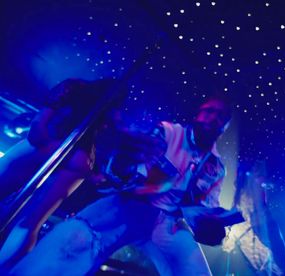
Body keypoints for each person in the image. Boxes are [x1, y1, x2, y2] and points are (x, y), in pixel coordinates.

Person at [10, 95, 233, 275]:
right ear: (198, 114)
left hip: (169, 222)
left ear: (225, 126)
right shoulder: (167, 132)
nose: (214, 118)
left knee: (194, 269)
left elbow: (206, 207)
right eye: (209, 111)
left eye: (221, 116)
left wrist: (211, 224)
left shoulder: (217, 168)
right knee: (73, 242)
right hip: (129, 205)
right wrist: (142, 180)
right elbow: (126, 169)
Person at [0, 78, 126, 270]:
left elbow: (37, 130)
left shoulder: (73, 87)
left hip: (50, 141)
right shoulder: (112, 112)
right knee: (30, 223)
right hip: (80, 158)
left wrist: (52, 145)